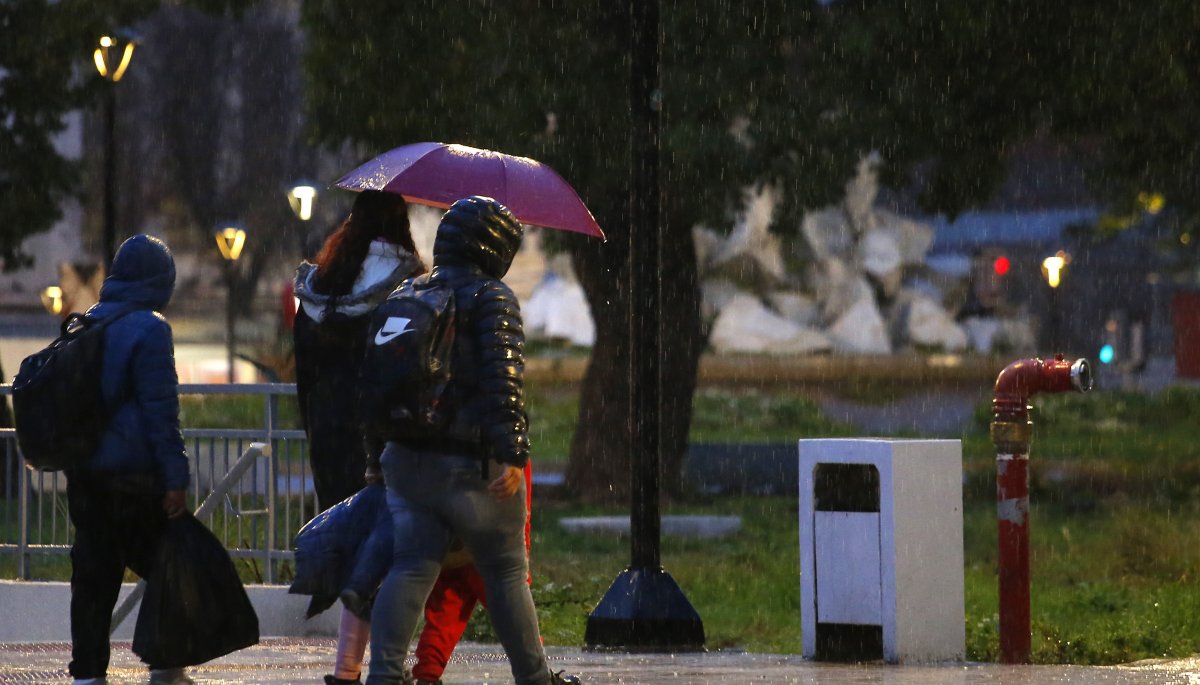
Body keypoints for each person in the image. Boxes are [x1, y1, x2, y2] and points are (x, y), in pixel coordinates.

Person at [366, 196, 581, 685]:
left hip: (405, 459)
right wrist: (511, 453)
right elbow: (503, 381)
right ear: (495, 246)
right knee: (505, 571)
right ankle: (534, 676)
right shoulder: (492, 296)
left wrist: (373, 458)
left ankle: (382, 675)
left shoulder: (407, 291)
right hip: (468, 465)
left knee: (410, 568)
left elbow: (377, 381)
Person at [65, 234, 193, 685]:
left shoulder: (85, 324)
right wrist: (175, 477)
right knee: (170, 567)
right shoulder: (151, 329)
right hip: (135, 480)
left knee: (94, 576)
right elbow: (162, 414)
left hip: (85, 476)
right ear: (160, 281)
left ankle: (87, 676)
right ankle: (165, 666)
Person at [293, 190, 427, 513]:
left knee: (335, 526)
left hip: (326, 425)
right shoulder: (410, 286)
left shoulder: (324, 285)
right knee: (383, 536)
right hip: (385, 434)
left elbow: (304, 370)